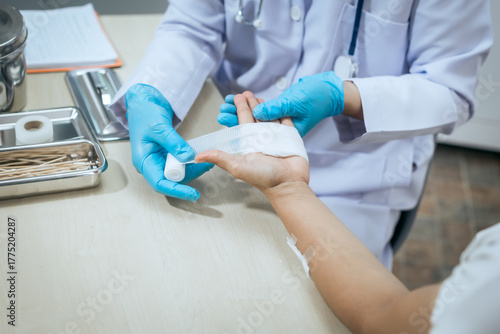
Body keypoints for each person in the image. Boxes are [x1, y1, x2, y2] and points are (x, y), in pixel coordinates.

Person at [110, 1, 493, 268]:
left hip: (350, 181)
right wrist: (152, 91)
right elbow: (193, 24)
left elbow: (451, 91)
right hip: (233, 144)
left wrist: (344, 96)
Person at [195, 92, 500, 334]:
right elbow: (384, 313)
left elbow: (385, 320)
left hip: (369, 182)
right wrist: (287, 186)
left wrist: (348, 95)